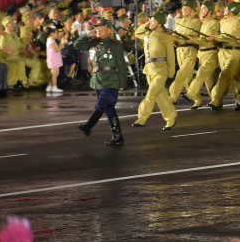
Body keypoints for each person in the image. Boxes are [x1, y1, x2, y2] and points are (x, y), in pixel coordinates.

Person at [75, 19, 128, 147]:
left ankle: (88, 126)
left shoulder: (116, 45)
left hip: (111, 79)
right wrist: (87, 34)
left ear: (109, 30)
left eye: (101, 28)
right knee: (108, 107)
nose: (98, 30)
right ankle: (117, 136)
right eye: (97, 28)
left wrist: (122, 83)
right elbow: (77, 45)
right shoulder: (94, 43)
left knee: (102, 103)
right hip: (98, 79)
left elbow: (121, 65)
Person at [133, 12, 178, 130]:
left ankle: (142, 118)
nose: (150, 23)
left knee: (151, 94)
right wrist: (147, 24)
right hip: (149, 69)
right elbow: (137, 33)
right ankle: (171, 117)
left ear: (159, 23)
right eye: (150, 21)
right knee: (161, 95)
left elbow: (171, 55)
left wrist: (171, 71)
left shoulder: (166, 36)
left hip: (161, 69)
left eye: (153, 21)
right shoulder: (148, 34)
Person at [45, 24, 67, 94]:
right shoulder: (50, 40)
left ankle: (50, 86)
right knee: (55, 73)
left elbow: (57, 48)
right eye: (56, 33)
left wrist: (61, 43)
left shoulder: (51, 40)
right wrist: (62, 43)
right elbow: (57, 50)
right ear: (52, 33)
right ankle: (54, 87)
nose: (57, 34)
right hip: (53, 59)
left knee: (55, 73)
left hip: (54, 58)